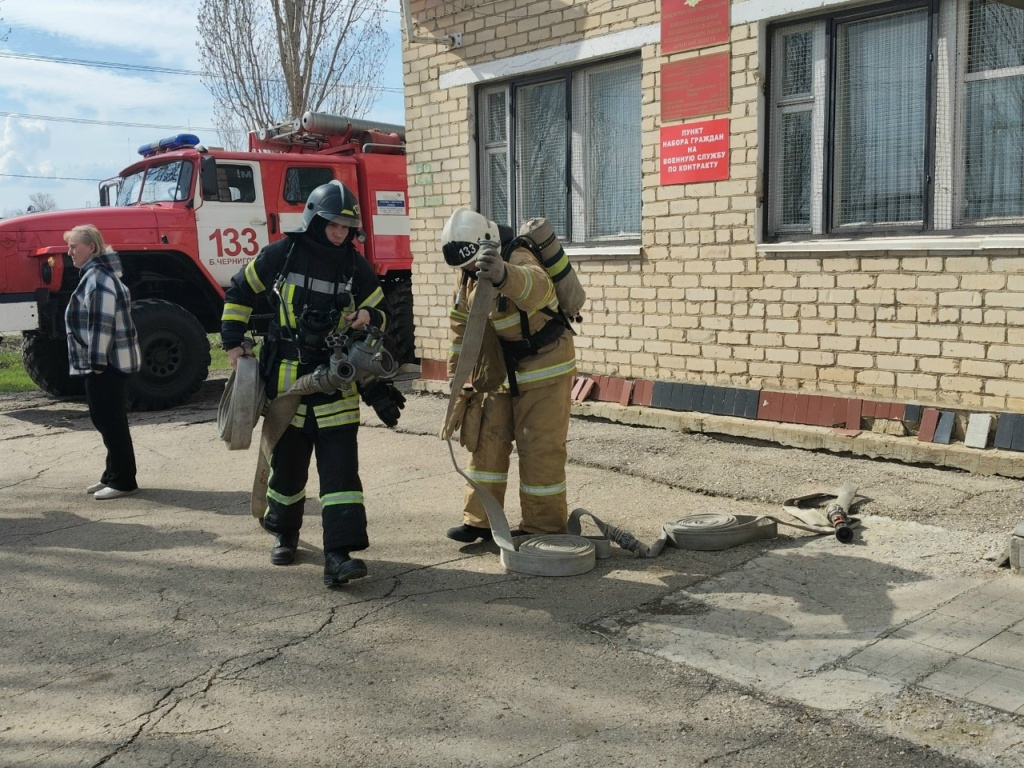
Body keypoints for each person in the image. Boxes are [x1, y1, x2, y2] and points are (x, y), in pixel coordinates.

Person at [220, 180, 405, 587]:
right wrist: (234, 344)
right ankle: (285, 534)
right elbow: (239, 291)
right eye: (332, 224)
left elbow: (381, 309)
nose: (339, 233)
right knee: (286, 470)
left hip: (336, 383)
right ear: (314, 220)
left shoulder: (354, 265)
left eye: (346, 227)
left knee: (341, 475)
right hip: (287, 387)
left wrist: (368, 319)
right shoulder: (281, 255)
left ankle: (339, 555)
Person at [441, 207, 576, 542]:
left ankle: (544, 527)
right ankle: (480, 521)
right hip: (500, 371)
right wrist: (458, 381)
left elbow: (541, 289)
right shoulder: (469, 272)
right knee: (486, 442)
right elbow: (462, 327)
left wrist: (504, 275)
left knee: (539, 448)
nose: (471, 270)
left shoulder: (516, 254)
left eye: (472, 263)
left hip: (545, 367)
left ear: (486, 243)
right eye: (465, 267)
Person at [63, 224, 141, 500]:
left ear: (92, 248)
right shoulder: (96, 276)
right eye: (69, 246)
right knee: (108, 419)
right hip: (106, 363)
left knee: (109, 421)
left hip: (105, 364)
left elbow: (101, 325)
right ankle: (113, 474)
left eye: (74, 246)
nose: (69, 251)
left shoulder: (98, 279)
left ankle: (123, 481)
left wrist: (96, 363)